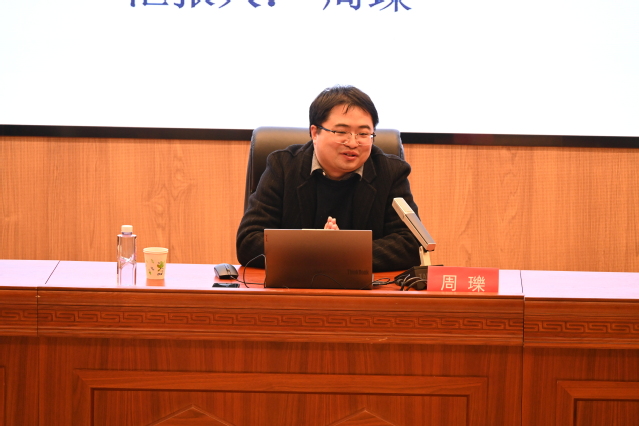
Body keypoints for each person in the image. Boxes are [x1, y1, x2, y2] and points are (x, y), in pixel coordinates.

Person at [236, 85, 421, 272]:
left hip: (366, 286)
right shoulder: (283, 167)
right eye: (341, 132)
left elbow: (411, 243)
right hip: (294, 285)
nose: (353, 143)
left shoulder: (390, 172)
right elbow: (249, 241)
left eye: (364, 134)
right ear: (315, 132)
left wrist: (342, 252)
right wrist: (321, 249)